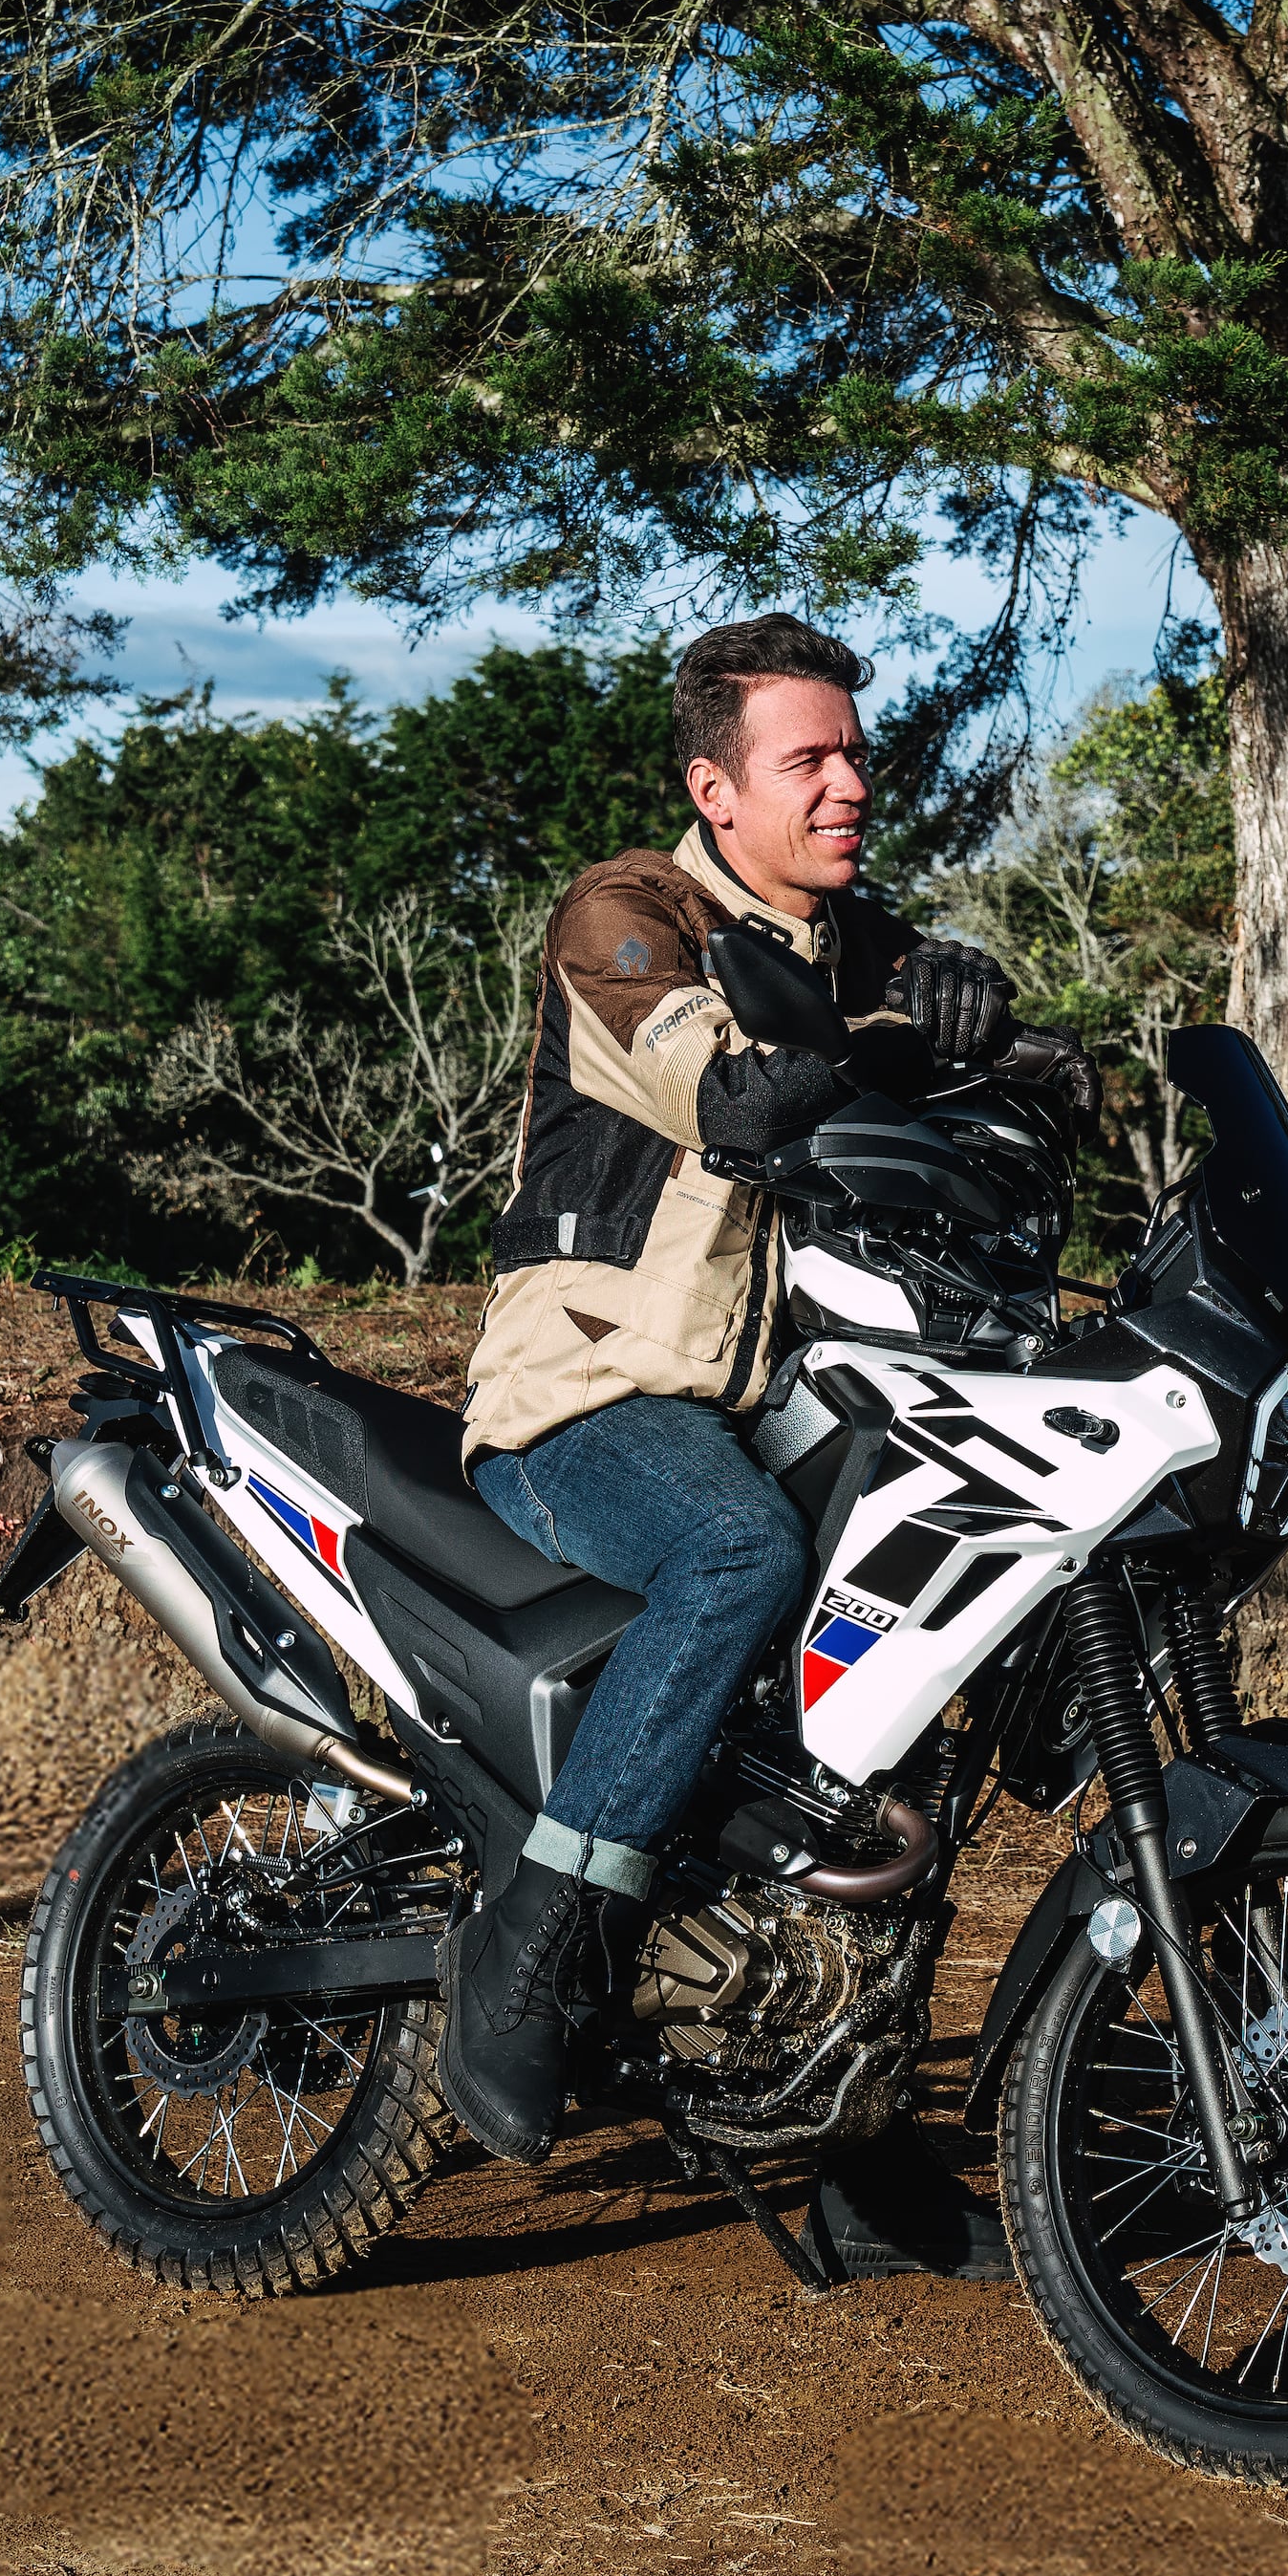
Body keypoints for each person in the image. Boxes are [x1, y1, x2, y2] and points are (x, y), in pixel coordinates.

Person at [440, 613, 1036, 2277]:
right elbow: (740, 1099)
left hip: (779, 1400)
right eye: (812, 760)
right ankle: (533, 1942)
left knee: (900, 1696)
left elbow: (977, 1098)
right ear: (716, 786)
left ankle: (838, 2125)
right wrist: (885, 1034)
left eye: (858, 751)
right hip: (585, 1397)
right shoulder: (629, 921)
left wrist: (999, 1031)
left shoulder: (855, 942)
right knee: (738, 1557)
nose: (853, 782)